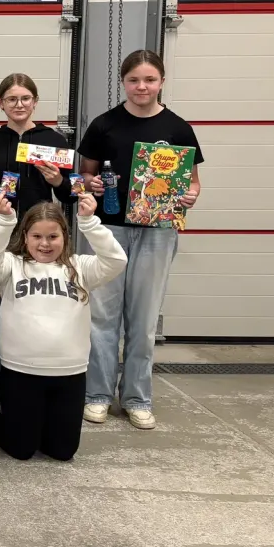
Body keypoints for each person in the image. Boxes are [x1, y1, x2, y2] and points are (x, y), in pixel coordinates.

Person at [78, 50, 203, 430]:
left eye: (149, 79)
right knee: (102, 317)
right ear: (124, 83)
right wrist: (91, 184)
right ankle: (97, 394)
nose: (142, 87)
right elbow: (84, 176)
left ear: (161, 81)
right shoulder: (104, 125)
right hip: (109, 231)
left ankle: (136, 397)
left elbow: (193, 183)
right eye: (134, 80)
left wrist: (191, 195)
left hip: (158, 232)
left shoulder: (178, 128)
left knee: (144, 319)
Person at [0, 193, 128, 461]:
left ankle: (35, 422)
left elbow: (117, 260)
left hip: (69, 375)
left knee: (62, 451)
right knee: (21, 450)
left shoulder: (81, 267)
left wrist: (89, 222)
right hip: (20, 372)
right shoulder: (12, 266)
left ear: (65, 237)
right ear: (25, 237)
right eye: (36, 236)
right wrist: (4, 220)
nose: (44, 244)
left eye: (53, 236)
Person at [0, 74, 73, 412]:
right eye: (11, 99)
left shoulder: (53, 140)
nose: (19, 104)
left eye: (25, 98)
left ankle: (29, 379)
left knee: (35, 310)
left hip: (38, 238)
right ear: (1, 104)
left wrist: (59, 180)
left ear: (35, 101)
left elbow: (72, 192)